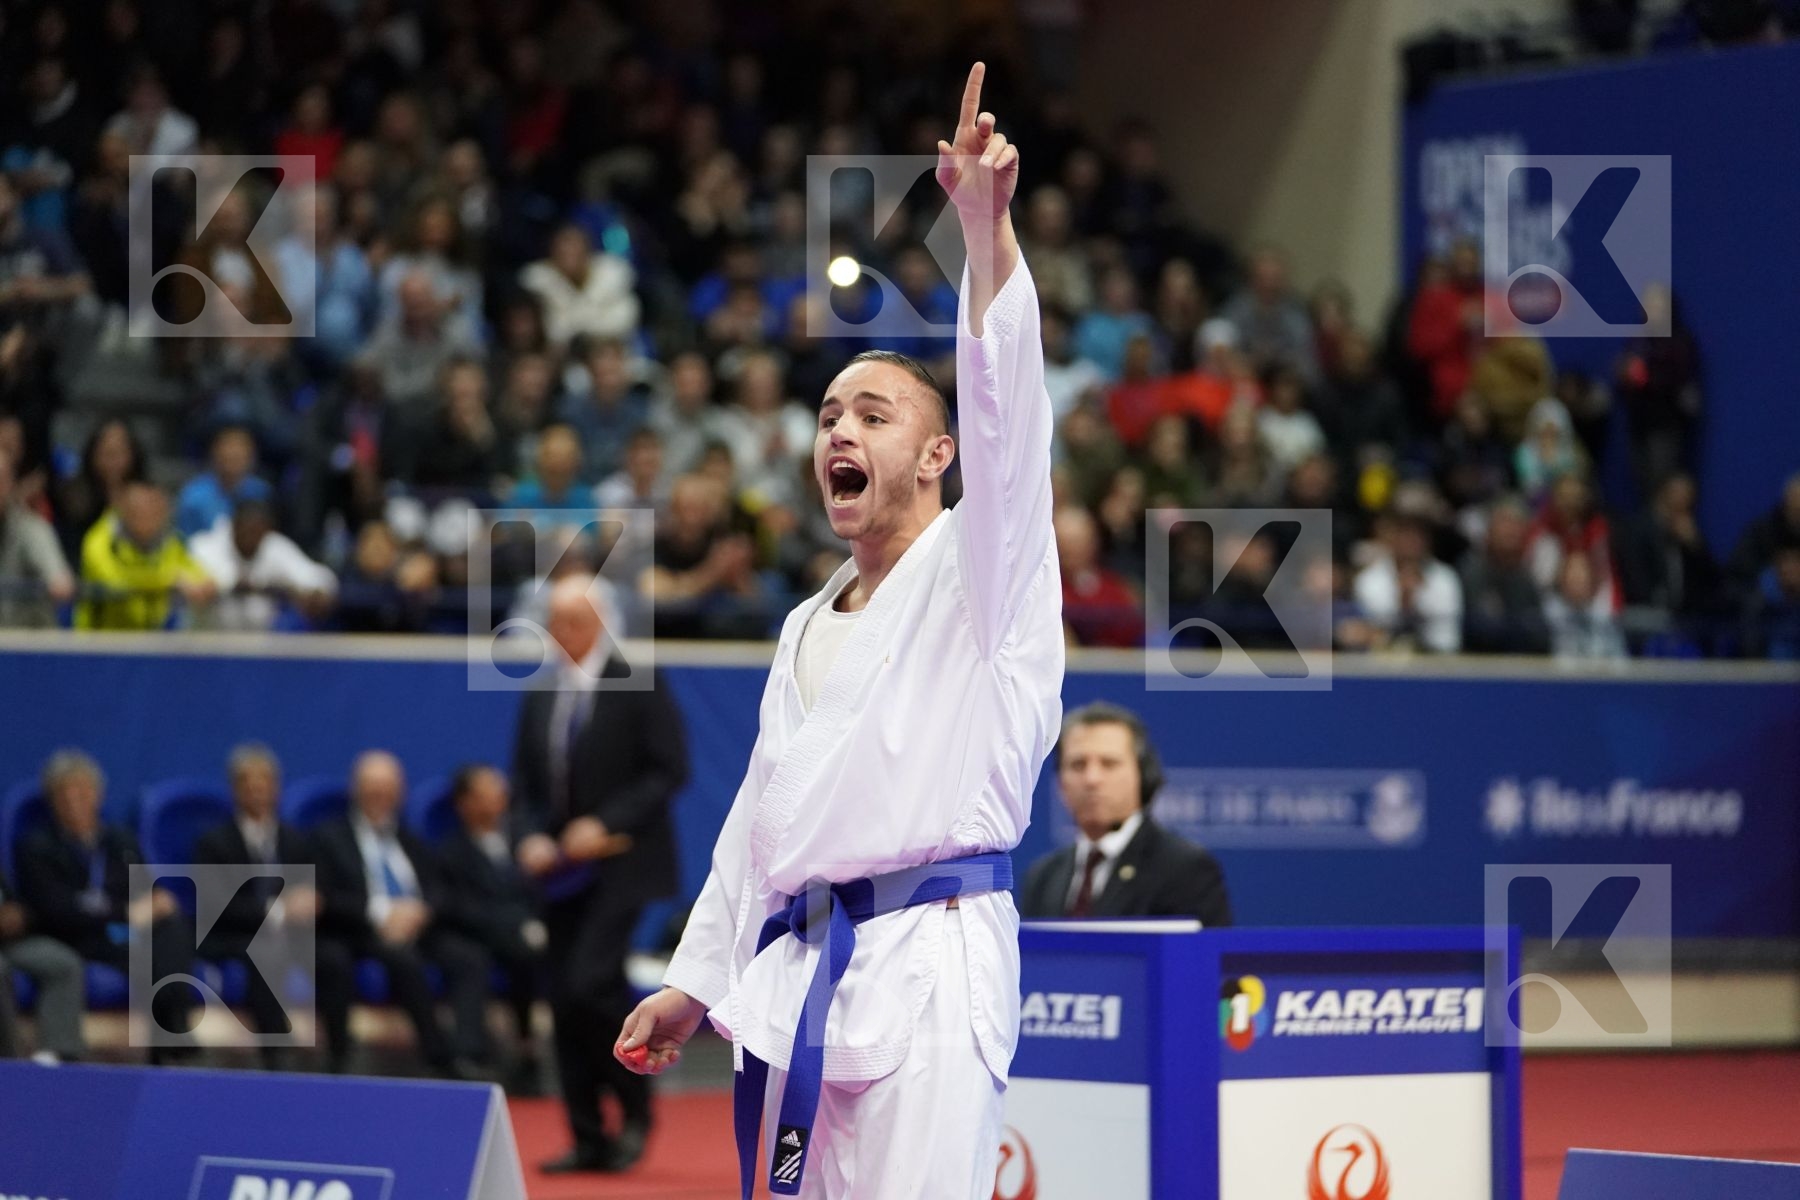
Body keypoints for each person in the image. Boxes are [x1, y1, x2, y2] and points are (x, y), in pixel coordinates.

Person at [617, 65, 1064, 1200]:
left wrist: (984, 230)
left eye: (873, 413)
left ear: (937, 455)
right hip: (802, 962)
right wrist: (696, 979)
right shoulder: (807, 621)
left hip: (932, 955)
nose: (838, 433)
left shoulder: (984, 575)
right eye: (826, 416)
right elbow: (762, 817)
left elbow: (1009, 417)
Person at [510, 575, 688, 1173]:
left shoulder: (638, 682)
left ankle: (636, 1107)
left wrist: (604, 822)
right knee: (562, 997)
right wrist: (530, 834)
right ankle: (587, 1133)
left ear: (599, 623)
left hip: (623, 865)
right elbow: (526, 787)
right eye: (554, 622)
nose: (561, 634)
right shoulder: (542, 694)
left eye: (572, 622)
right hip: (560, 874)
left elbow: (670, 770)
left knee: (590, 984)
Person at [312, 750, 489, 1078]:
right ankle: (438, 1057)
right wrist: (381, 912)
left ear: (400, 792)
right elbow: (325, 898)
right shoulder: (329, 838)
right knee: (401, 960)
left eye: (388, 787)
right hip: (362, 932)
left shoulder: (411, 840)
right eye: (372, 786)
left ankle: (467, 1053)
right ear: (356, 789)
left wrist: (420, 912)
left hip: (418, 929)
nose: (380, 795)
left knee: (468, 957)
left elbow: (439, 889)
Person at [15, 750, 196, 1063]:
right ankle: (171, 1031)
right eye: (66, 793)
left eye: (83, 792)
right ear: (53, 801)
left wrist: (158, 902)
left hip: (115, 932)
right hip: (74, 936)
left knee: (173, 927)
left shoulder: (119, 841)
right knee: (138, 945)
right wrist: (126, 913)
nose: (75, 801)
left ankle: (169, 1023)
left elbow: (147, 892)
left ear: (98, 796)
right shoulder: (36, 846)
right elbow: (55, 910)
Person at [1019, 702, 1232, 926]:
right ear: (1060, 782)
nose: (1092, 779)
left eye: (1109, 764)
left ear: (1144, 774)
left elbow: (1201, 958)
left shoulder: (1185, 870)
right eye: (1078, 765)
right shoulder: (1042, 877)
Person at [192, 743, 331, 1070]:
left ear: (276, 789)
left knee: (333, 957)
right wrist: (279, 910)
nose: (257, 792)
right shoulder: (213, 843)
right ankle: (275, 1053)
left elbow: (315, 886)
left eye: (264, 784)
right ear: (235, 791)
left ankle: (339, 1052)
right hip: (235, 935)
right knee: (265, 951)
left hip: (293, 935)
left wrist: (312, 899)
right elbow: (217, 905)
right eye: (248, 785)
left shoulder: (295, 839)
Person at [436, 764, 547, 1094]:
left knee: (538, 957)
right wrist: (515, 927)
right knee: (474, 960)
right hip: (477, 937)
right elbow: (456, 907)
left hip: (526, 936)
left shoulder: (524, 845)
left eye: (500, 792)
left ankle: (532, 1051)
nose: (497, 800)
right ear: (464, 803)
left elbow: (538, 892)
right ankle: (471, 1055)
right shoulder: (450, 851)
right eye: (486, 794)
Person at [76, 480, 216, 630]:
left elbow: (193, 571)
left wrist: (205, 584)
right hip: (99, 641)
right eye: (141, 510)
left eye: (155, 510)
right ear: (124, 509)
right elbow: (113, 580)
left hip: (151, 639)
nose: (149, 517)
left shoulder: (168, 540)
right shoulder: (99, 539)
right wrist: (170, 581)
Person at [188, 499, 338, 631]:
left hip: (258, 646)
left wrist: (316, 592)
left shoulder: (275, 547)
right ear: (234, 525)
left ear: (267, 530)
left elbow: (318, 578)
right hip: (207, 643)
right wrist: (215, 585)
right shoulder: (206, 547)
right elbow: (190, 583)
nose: (249, 537)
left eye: (256, 531)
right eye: (244, 529)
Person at [0, 871, 87, 1063]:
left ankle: (56, 1058)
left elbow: (12, 899)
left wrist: (18, 915)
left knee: (63, 963)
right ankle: (8, 1060)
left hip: (9, 941)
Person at [0, 445, 74, 626]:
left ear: (10, 484)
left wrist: (57, 580)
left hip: (26, 646)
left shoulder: (32, 529)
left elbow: (60, 580)